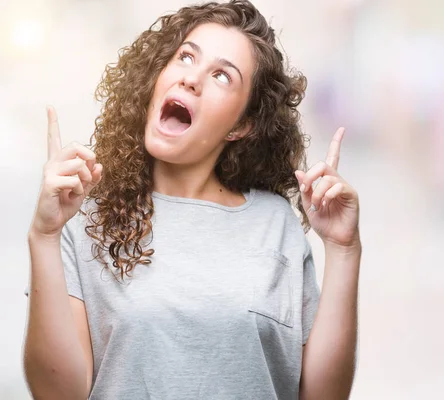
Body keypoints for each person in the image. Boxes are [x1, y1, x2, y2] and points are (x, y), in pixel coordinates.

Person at [23, 1, 361, 399]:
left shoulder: (276, 223)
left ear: (241, 124)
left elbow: (323, 395)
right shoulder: (85, 219)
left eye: (221, 75)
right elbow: (57, 394)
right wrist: (44, 235)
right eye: (186, 57)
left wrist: (343, 250)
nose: (191, 79)